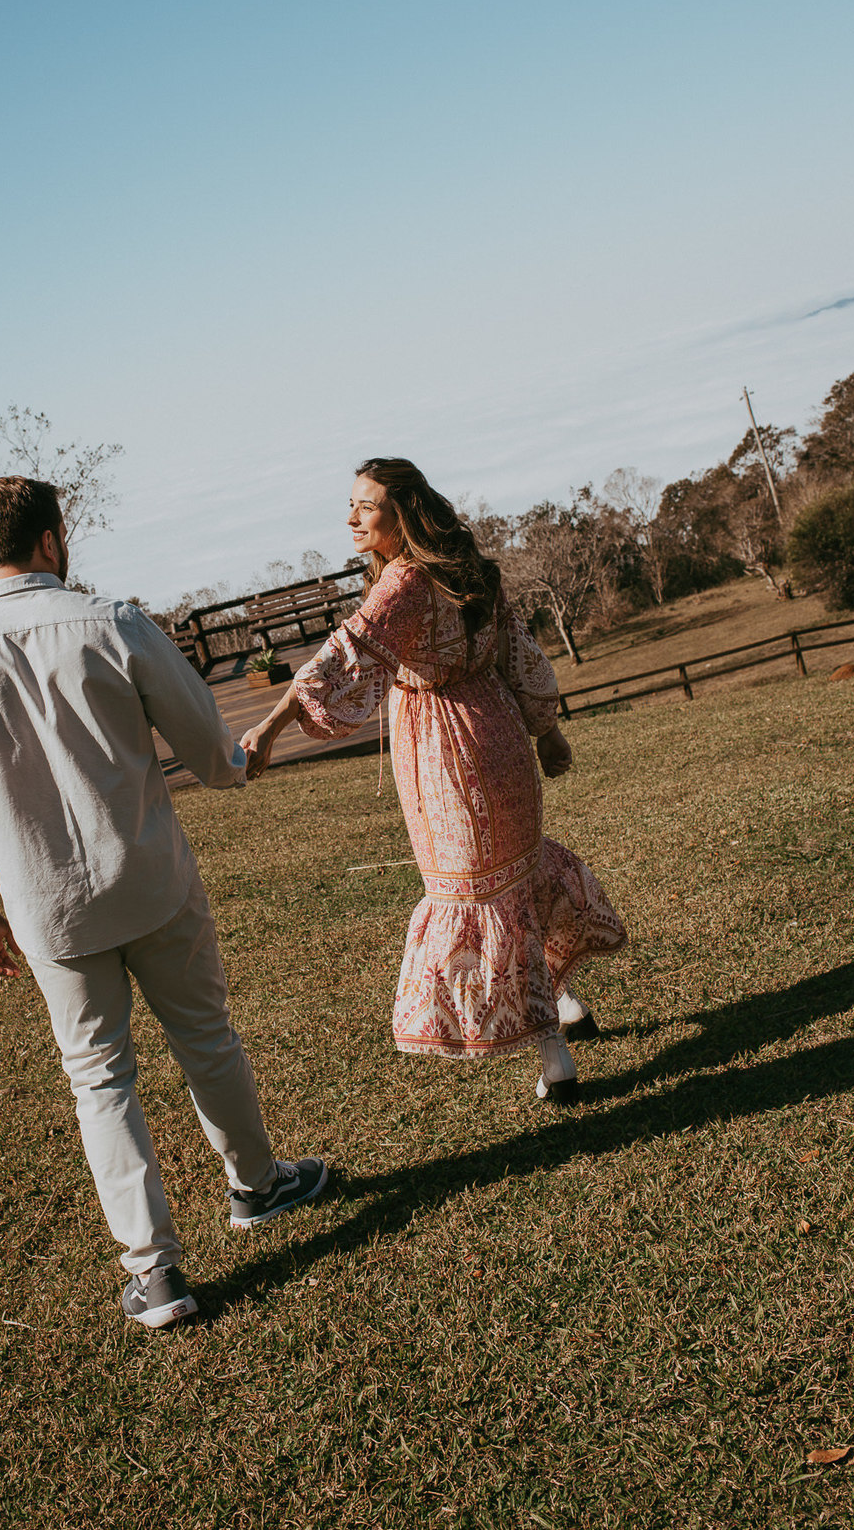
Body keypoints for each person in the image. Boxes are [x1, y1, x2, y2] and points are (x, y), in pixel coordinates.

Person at [0, 476, 326, 1330]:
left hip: (45, 908)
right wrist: (236, 764)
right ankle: (255, 1184)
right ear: (53, 541)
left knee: (98, 1081)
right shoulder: (113, 623)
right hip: (149, 877)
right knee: (206, 1039)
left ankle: (156, 1272)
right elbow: (208, 746)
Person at [241, 458, 626, 1101]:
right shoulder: (468, 568)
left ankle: (554, 1055)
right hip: (499, 732)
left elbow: (348, 651)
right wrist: (546, 728)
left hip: (445, 753)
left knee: (478, 894)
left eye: (365, 506)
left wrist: (274, 725)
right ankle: (565, 1005)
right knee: (517, 875)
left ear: (405, 512)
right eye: (353, 505)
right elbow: (518, 651)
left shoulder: (407, 582)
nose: (351, 518)